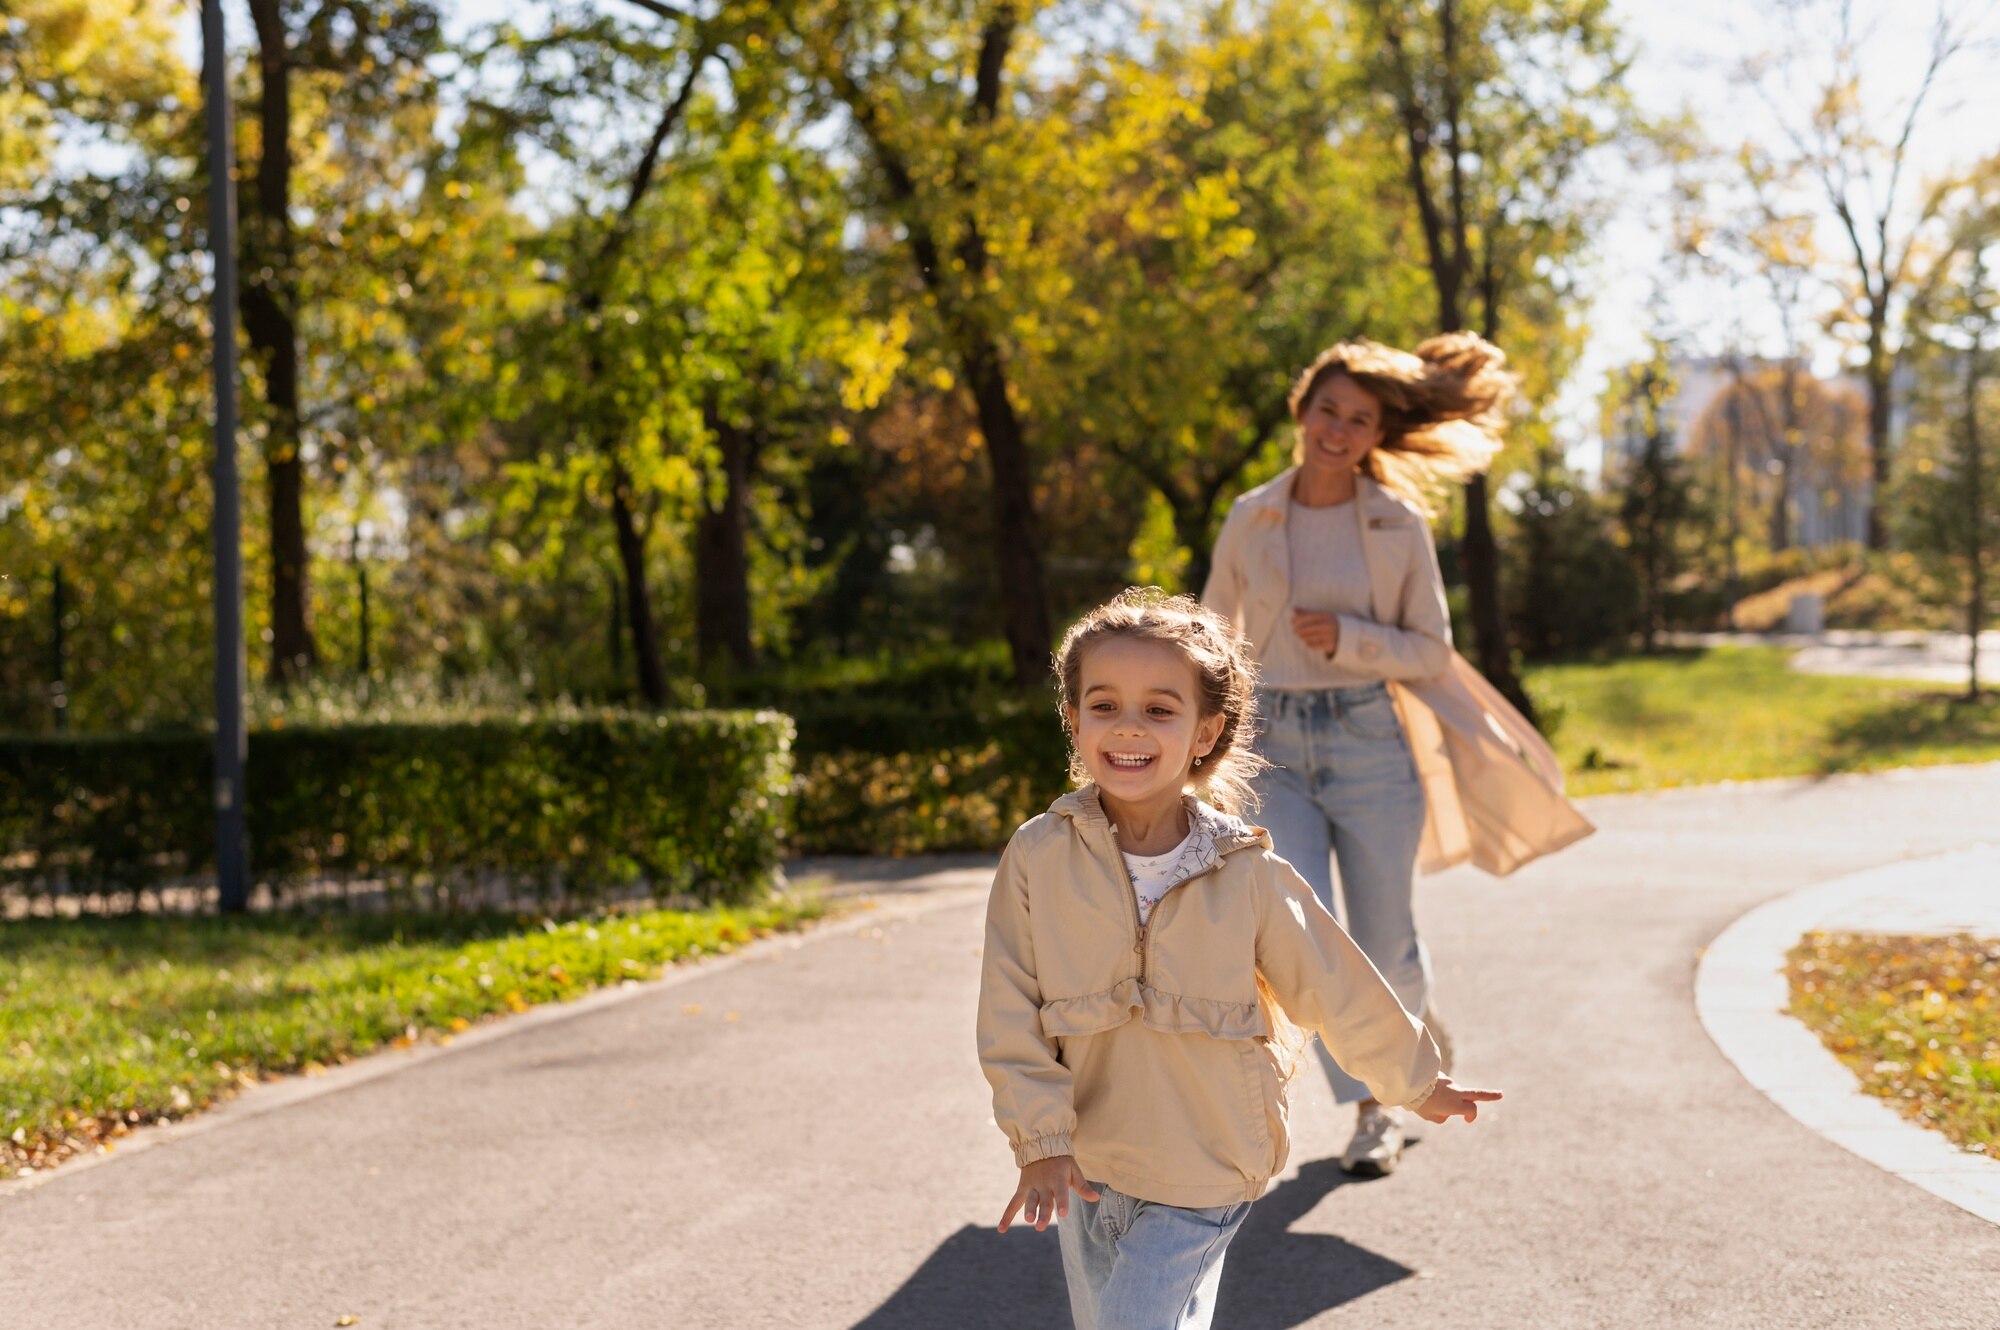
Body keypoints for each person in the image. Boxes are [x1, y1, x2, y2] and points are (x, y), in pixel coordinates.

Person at [977, 589, 1501, 1330]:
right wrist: (1040, 1141)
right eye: (1104, 705)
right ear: (1074, 718)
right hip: (1088, 1159)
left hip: (1207, 1161)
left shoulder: (1247, 873)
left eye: (1160, 709)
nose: (1128, 727)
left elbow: (1334, 979)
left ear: (1205, 731)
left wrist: (1414, 1082)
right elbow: (1008, 1007)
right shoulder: (1037, 856)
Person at [1201, 332, 1592, 1180]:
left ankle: (1388, 1103)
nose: (1338, 430)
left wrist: (1351, 637)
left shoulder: (1395, 522)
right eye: (1328, 411)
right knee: (1310, 936)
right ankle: (1379, 1095)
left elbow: (1430, 650)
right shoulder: (1250, 516)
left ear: (1378, 435)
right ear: (1302, 410)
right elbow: (1211, 635)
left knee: (1383, 936)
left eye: (1359, 419)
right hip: (1274, 748)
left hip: (1370, 743)